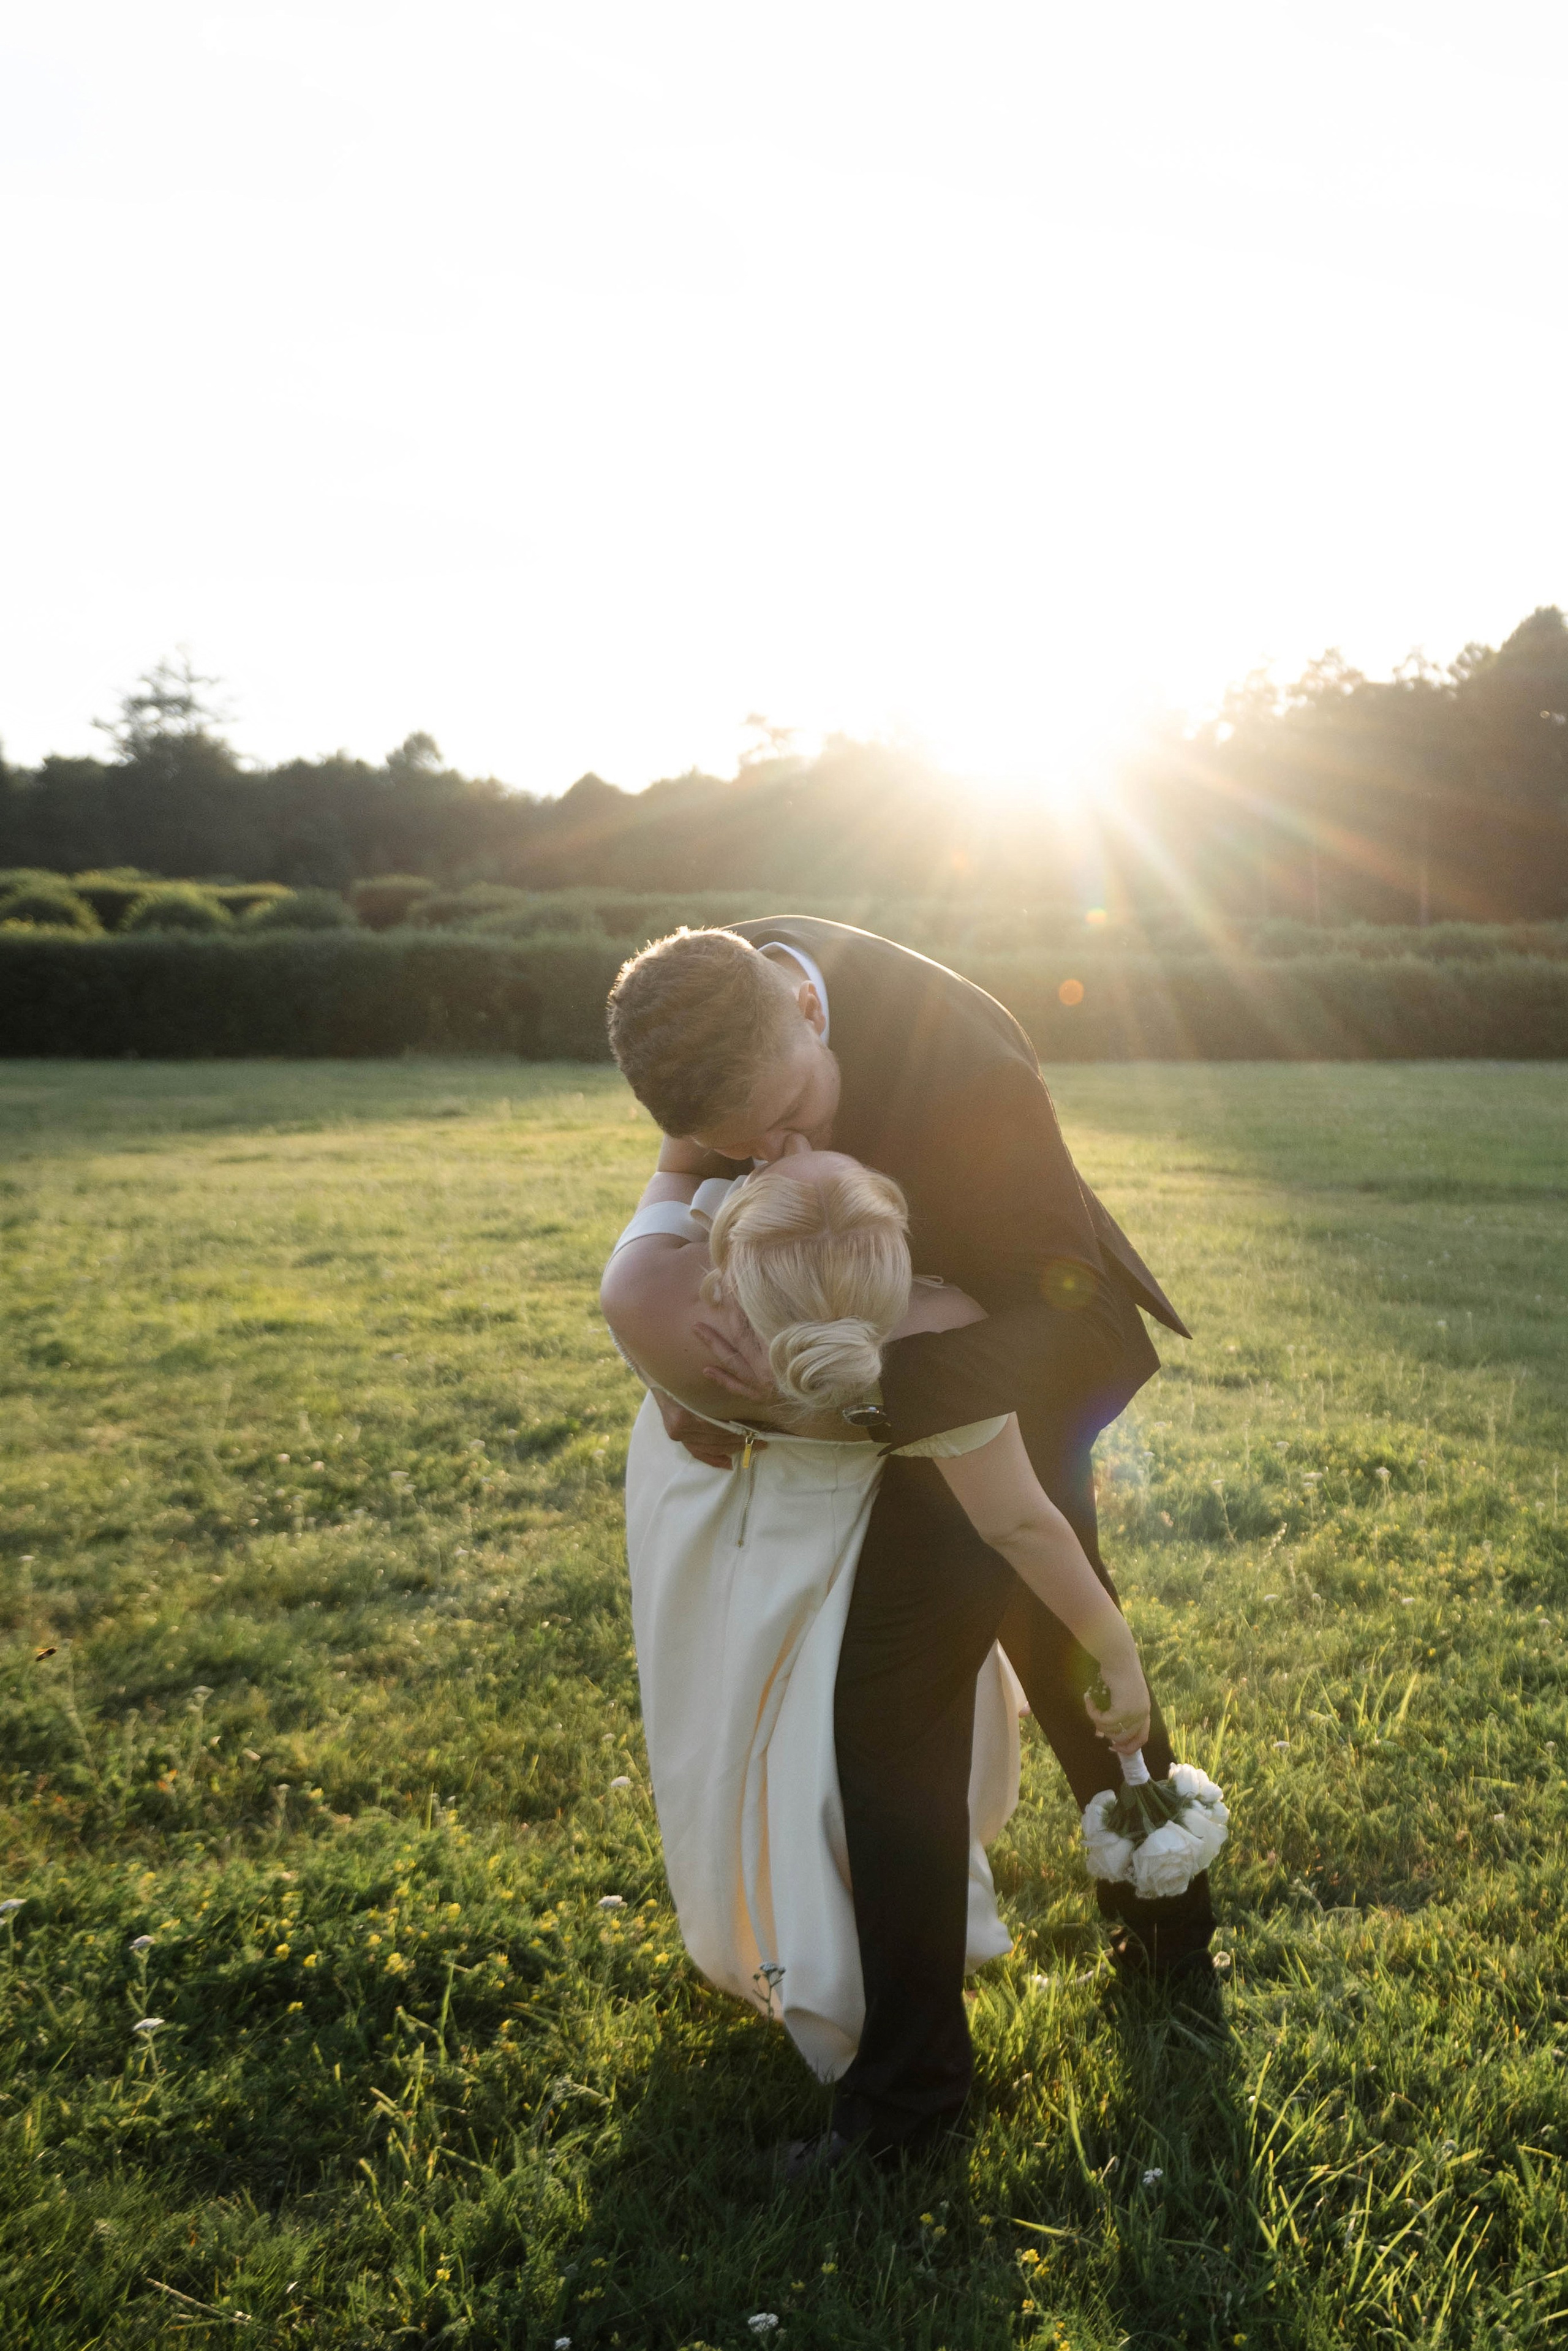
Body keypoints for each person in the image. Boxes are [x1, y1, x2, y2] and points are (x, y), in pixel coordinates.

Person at [606, 917, 1215, 2167]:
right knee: (1055, 1642)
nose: (774, 1154)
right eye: (738, 1146)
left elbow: (1073, 1314)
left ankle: (907, 2108)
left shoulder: (964, 1069)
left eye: (790, 1114)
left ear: (811, 1015)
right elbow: (683, 1191)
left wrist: (847, 1375)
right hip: (892, 1353)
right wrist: (681, 1343)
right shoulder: (716, 998)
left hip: (1002, 1354)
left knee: (897, 1706)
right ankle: (1165, 1945)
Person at [600, 1147, 1151, 2111]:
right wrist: (1115, 1648)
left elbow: (655, 1256)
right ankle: (848, 1974)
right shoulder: (935, 1345)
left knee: (769, 1774)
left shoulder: (719, 1337)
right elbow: (1023, 1524)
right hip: (863, 1588)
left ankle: (784, 1949)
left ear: (732, 1275)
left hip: (759, 1579)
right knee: (845, 1788)